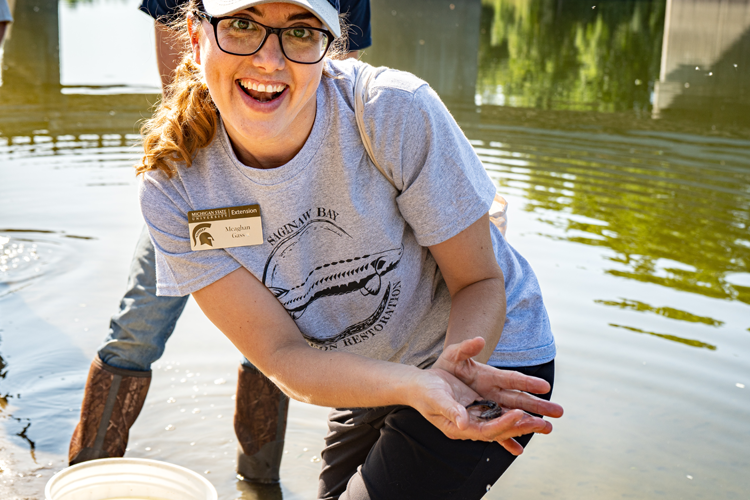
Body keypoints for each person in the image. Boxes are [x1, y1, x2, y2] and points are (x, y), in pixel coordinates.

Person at [136, 0, 563, 498]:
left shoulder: (392, 111)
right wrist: (408, 386)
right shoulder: (174, 190)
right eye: (242, 24)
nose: (270, 61)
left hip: (487, 355)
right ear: (195, 32)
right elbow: (280, 354)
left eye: (300, 32)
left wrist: (451, 375)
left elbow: (479, 282)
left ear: (330, 45)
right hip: (369, 371)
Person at [68, 0, 371, 485]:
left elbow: (335, 78)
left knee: (272, 343)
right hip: (199, 171)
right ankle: (83, 481)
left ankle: (258, 484)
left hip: (284, 185)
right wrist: (216, 164)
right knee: (136, 330)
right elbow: (178, 62)